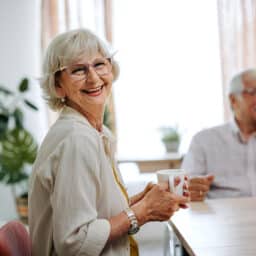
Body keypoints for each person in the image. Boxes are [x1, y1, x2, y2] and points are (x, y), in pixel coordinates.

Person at [28, 28, 189, 256]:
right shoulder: (77, 139)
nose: (93, 78)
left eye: (99, 64)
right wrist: (141, 212)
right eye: (78, 70)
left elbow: (95, 214)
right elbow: (75, 243)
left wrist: (143, 203)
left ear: (111, 69)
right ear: (58, 86)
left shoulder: (94, 131)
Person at [182, 68, 256, 201]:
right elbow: (185, 189)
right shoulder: (204, 141)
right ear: (233, 100)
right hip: (221, 218)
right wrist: (191, 189)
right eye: (253, 92)